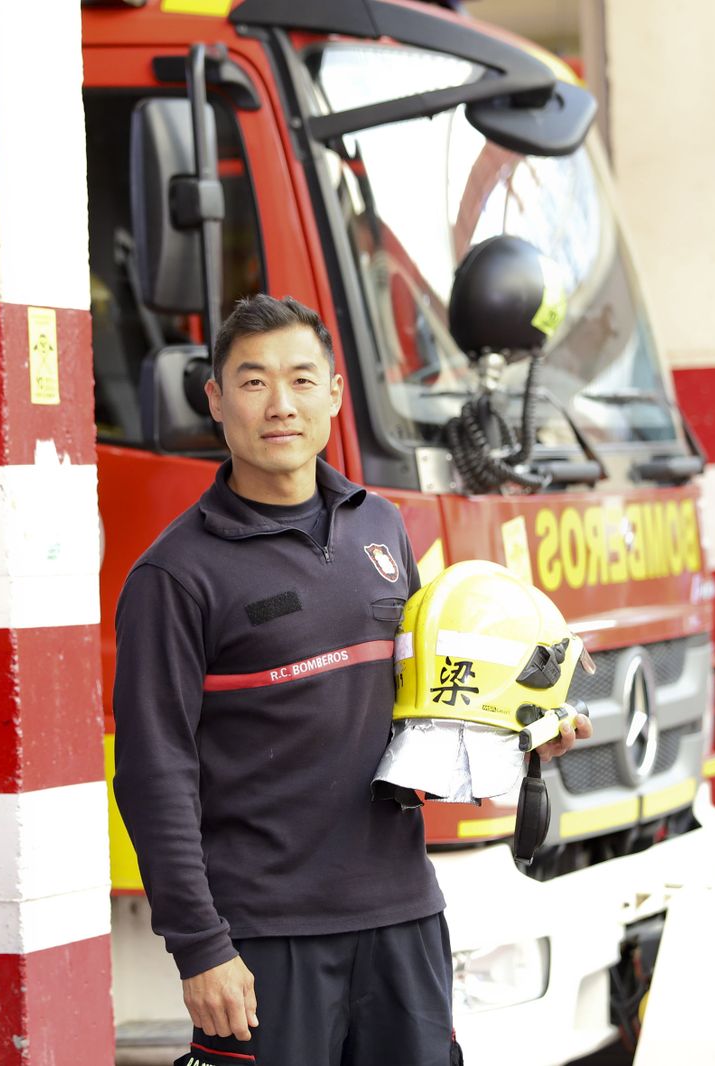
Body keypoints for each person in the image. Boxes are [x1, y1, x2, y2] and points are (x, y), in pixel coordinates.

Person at [112, 295, 590, 1065]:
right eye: (253, 382)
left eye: (302, 380)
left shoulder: (382, 527)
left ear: (335, 393)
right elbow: (152, 772)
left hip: (403, 920)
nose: (280, 405)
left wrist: (525, 733)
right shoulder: (176, 575)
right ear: (215, 399)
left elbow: (418, 714)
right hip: (266, 940)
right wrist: (200, 947)